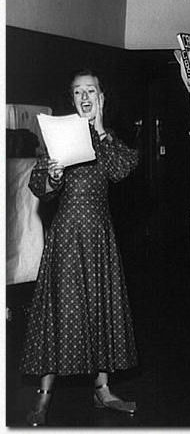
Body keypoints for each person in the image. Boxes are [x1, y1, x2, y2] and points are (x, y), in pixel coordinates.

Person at [20, 69, 139, 426]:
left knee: (101, 307)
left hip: (99, 236)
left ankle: (103, 391)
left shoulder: (108, 139)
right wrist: (52, 176)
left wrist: (100, 129)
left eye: (91, 91)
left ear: (101, 98)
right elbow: (39, 185)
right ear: (71, 99)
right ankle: (43, 398)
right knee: (58, 313)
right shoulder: (59, 135)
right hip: (68, 235)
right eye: (78, 92)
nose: (85, 97)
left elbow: (122, 169)